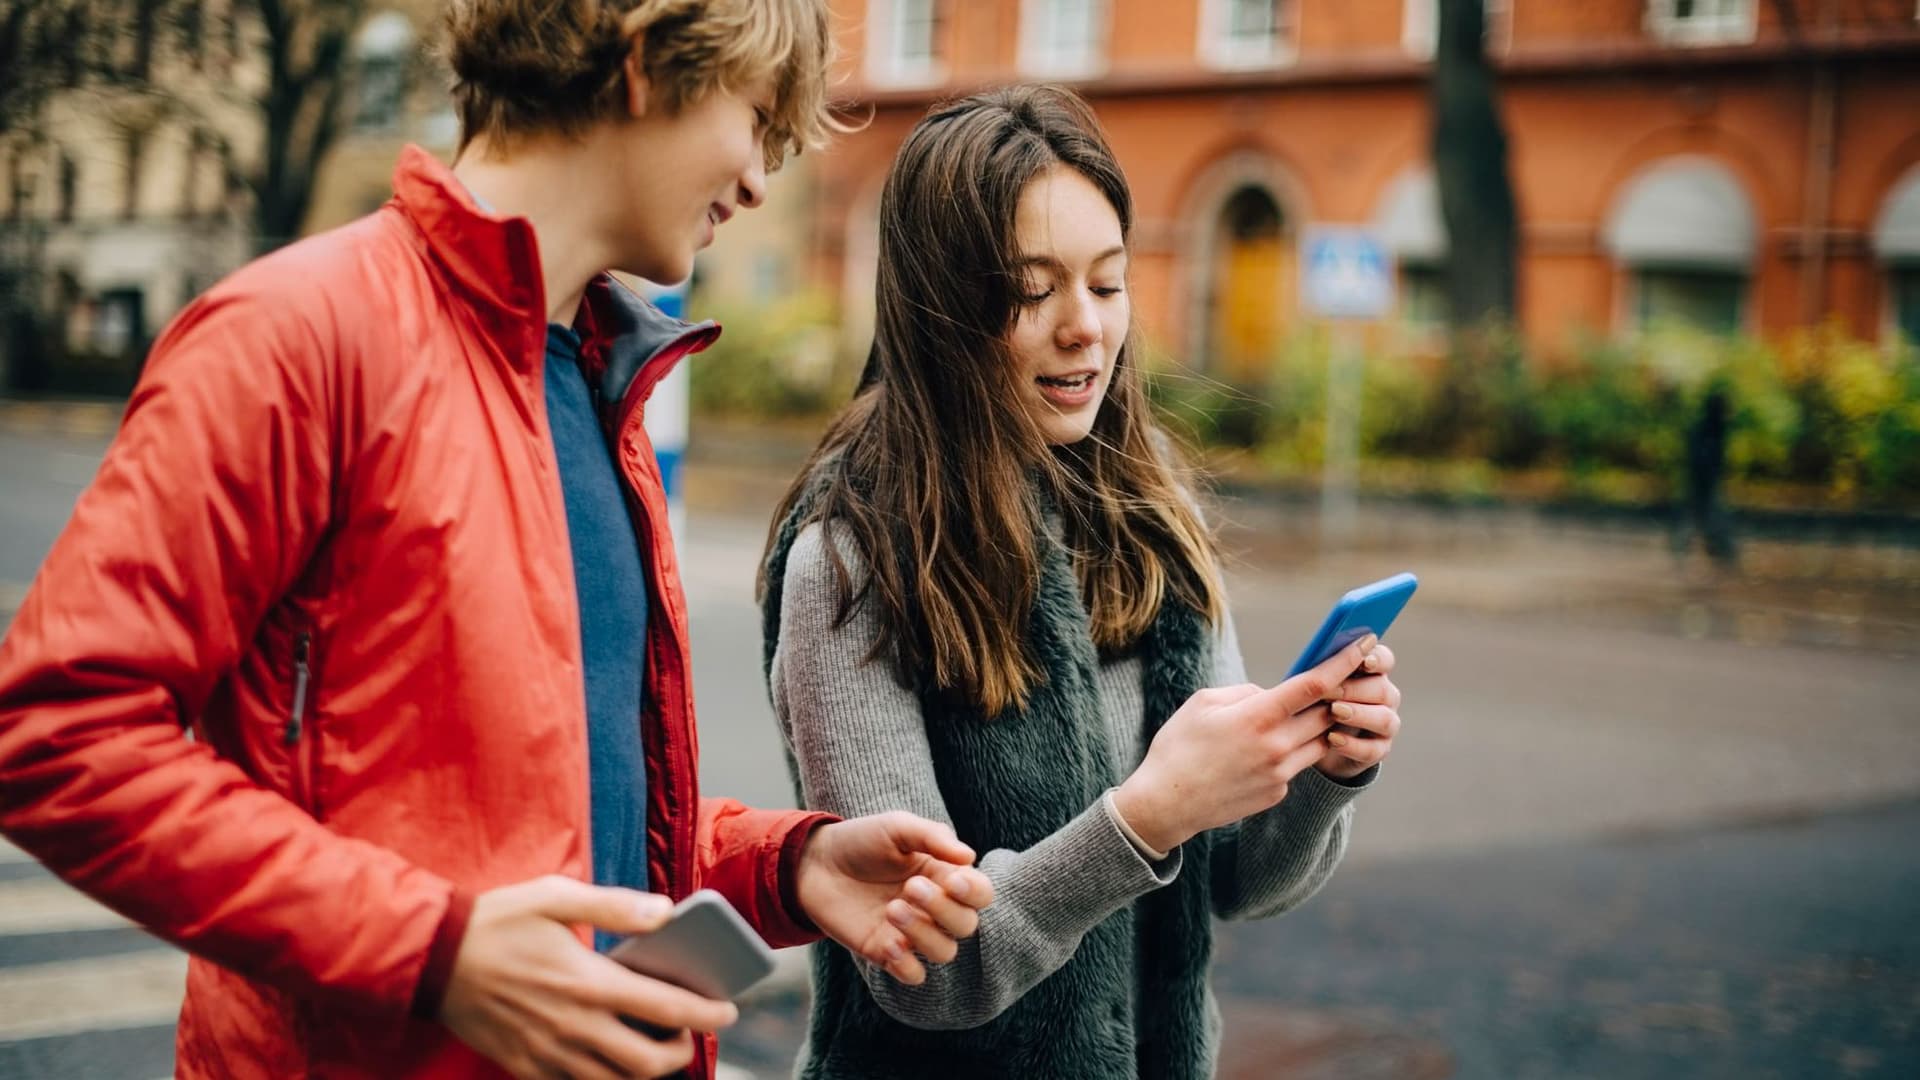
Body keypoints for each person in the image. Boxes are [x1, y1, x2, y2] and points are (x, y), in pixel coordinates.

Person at [0, 3, 991, 1078]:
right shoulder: (295, 335)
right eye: (756, 119)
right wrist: (434, 951)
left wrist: (784, 867)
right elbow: (59, 732)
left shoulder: (600, 384)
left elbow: (554, 816)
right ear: (648, 60)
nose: (757, 180)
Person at [758, 85, 1406, 1078]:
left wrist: (1325, 769)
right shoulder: (852, 562)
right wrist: (1143, 817)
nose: (1084, 329)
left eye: (1108, 285)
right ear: (940, 305)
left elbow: (1234, 879)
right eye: (1032, 290)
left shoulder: (1156, 526)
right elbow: (925, 971)